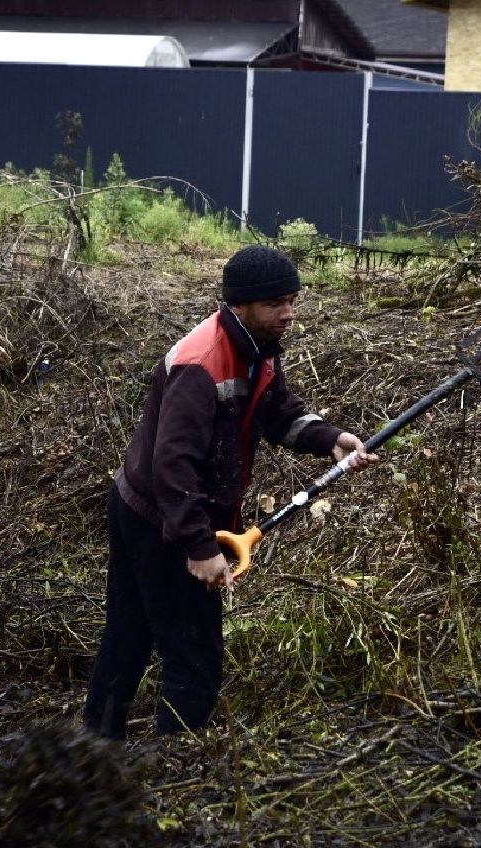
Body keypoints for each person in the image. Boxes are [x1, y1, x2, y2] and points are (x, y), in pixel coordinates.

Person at [83, 245, 377, 740]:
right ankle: (173, 767)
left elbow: (278, 413)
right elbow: (171, 465)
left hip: (155, 505)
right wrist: (199, 547)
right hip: (160, 514)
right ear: (240, 305)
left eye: (291, 300)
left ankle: (95, 746)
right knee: (193, 650)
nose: (288, 314)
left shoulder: (255, 348)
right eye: (275, 304)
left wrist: (332, 439)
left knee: (130, 630)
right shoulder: (202, 365)